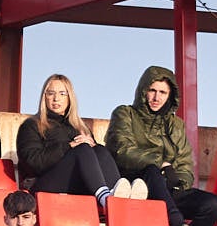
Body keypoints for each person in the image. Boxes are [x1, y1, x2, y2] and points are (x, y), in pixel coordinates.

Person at [106, 65, 217, 226]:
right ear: (143, 90)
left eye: (162, 92)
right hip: (132, 187)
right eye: (152, 90)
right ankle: (179, 225)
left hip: (166, 190)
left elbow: (185, 164)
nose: (156, 97)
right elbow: (122, 151)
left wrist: (178, 182)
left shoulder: (176, 125)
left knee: (213, 205)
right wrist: (162, 164)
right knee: (152, 171)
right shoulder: (124, 114)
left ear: (170, 95)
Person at [17, 74, 137, 207]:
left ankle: (119, 195)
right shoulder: (32, 125)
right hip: (45, 183)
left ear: (70, 98)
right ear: (44, 97)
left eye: (62, 93)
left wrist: (93, 145)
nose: (56, 98)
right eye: (51, 93)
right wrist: (69, 146)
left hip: (77, 184)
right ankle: (105, 198)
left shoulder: (80, 127)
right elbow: (33, 162)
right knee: (82, 149)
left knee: (100, 150)